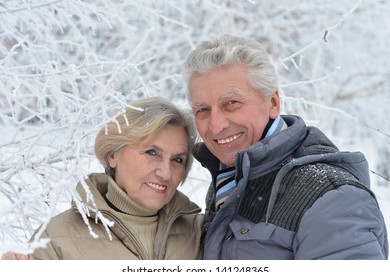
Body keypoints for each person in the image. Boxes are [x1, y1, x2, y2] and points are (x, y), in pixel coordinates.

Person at [181, 34, 388, 259]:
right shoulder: (231, 180)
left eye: (232, 103)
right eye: (202, 109)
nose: (216, 125)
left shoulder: (330, 199)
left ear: (273, 103)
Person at [2, 96, 203, 260]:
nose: (165, 173)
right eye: (152, 152)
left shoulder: (202, 233)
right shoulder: (55, 239)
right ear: (113, 154)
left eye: (177, 159)